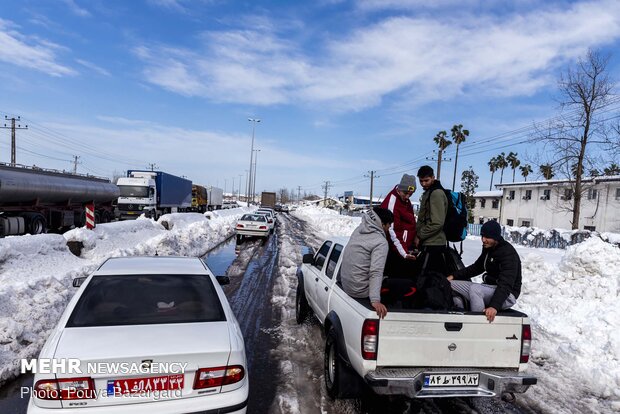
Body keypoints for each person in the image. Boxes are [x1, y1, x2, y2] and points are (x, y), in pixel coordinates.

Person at [340, 207, 416, 318]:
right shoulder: (380, 242)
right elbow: (376, 271)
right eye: (389, 225)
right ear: (382, 224)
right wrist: (375, 300)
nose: (389, 228)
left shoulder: (358, 231)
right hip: (361, 291)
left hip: (348, 286)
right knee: (410, 286)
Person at [447, 220, 522, 322]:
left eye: (487, 237)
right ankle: (461, 313)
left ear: (495, 237)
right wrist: (453, 276)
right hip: (491, 288)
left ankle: (477, 324)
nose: (483, 240)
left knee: (475, 289)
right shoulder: (489, 248)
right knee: (449, 284)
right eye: (482, 236)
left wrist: (494, 306)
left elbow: (506, 284)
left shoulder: (507, 253)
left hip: (507, 295)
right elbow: (477, 267)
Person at [380, 174, 418, 278]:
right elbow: (393, 232)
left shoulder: (404, 199)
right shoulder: (392, 203)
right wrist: (404, 253)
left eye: (410, 194)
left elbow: (410, 221)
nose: (407, 197)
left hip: (404, 247)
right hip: (396, 251)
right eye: (405, 193)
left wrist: (415, 236)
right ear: (400, 189)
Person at [415, 165, 449, 275]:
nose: (423, 184)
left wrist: (420, 235)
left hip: (434, 244)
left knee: (430, 281)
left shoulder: (436, 193)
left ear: (433, 178)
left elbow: (437, 222)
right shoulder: (430, 192)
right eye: (421, 181)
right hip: (430, 242)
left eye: (426, 180)